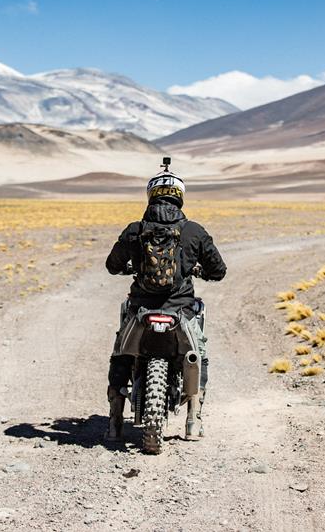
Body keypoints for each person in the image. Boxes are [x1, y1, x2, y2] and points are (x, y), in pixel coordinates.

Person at [104, 157, 226, 441]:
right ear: (180, 197)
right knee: (199, 356)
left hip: (140, 309)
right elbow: (218, 270)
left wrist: (131, 266)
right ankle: (193, 420)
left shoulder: (135, 230)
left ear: (150, 196)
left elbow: (112, 265)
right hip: (180, 310)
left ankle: (113, 423)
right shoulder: (194, 231)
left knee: (122, 353)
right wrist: (197, 269)